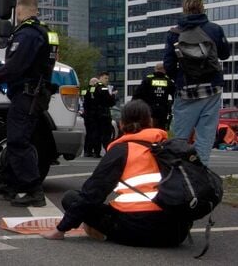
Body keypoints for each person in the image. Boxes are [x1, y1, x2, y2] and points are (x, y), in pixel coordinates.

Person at [41, 100, 193, 247]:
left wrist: (60, 229)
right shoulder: (169, 147)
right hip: (176, 232)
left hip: (139, 229)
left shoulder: (122, 150)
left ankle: (101, 232)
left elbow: (92, 194)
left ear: (121, 124)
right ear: (150, 122)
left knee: (71, 198)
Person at [0, 0, 58, 207]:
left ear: (19, 11)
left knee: (18, 141)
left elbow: (16, 66)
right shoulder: (46, 31)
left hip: (28, 94)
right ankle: (12, 184)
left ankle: (34, 190)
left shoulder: (27, 34)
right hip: (34, 93)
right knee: (15, 137)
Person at [164, 0, 230, 164]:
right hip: (212, 88)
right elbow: (224, 54)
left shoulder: (174, 33)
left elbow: (169, 65)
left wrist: (180, 80)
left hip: (186, 89)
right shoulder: (214, 29)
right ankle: (201, 175)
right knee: (205, 135)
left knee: (180, 136)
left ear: (184, 9)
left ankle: (178, 172)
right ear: (202, 8)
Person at [132, 63, 175, 131]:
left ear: (155, 69)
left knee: (149, 129)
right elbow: (175, 95)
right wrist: (171, 104)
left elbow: (137, 94)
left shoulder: (148, 79)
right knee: (161, 130)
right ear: (164, 70)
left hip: (149, 110)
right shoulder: (168, 81)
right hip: (162, 110)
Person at [93, 72, 117, 151]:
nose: (107, 80)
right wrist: (113, 95)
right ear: (100, 78)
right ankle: (108, 149)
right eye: (105, 78)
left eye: (107, 78)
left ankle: (96, 151)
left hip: (96, 113)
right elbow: (110, 101)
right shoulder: (103, 88)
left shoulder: (93, 87)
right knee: (106, 133)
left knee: (97, 133)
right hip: (104, 113)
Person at [82, 78, 100, 158]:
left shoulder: (85, 90)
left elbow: (83, 95)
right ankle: (91, 151)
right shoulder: (91, 89)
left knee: (89, 134)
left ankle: (87, 151)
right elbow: (93, 99)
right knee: (93, 134)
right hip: (92, 115)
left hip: (87, 115)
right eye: (96, 83)